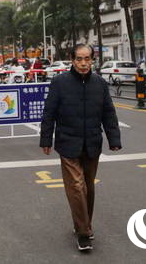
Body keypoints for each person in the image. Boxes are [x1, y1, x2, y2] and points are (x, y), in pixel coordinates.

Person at [39, 44, 122, 252]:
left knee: (88, 187)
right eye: (79, 59)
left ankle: (84, 225)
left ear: (92, 60)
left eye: (87, 59)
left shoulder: (100, 84)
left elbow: (108, 113)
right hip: (68, 144)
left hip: (92, 144)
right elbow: (49, 112)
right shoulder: (60, 83)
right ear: (72, 60)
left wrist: (114, 139)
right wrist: (46, 139)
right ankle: (84, 233)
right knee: (76, 187)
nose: (84, 63)